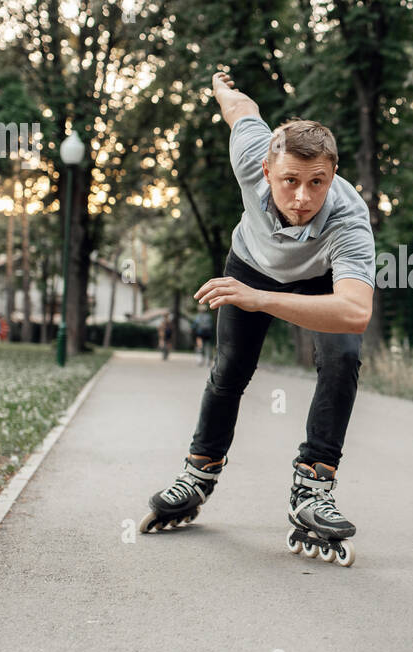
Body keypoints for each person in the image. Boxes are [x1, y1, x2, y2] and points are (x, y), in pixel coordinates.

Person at [141, 69, 376, 567]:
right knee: (230, 367)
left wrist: (260, 299)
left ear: (334, 176)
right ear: (267, 172)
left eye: (318, 183)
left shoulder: (349, 219)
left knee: (342, 359)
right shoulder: (252, 153)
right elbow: (241, 111)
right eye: (290, 181)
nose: (302, 198)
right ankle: (198, 472)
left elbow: (354, 312)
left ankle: (314, 486)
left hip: (319, 277)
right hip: (250, 260)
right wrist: (221, 87)